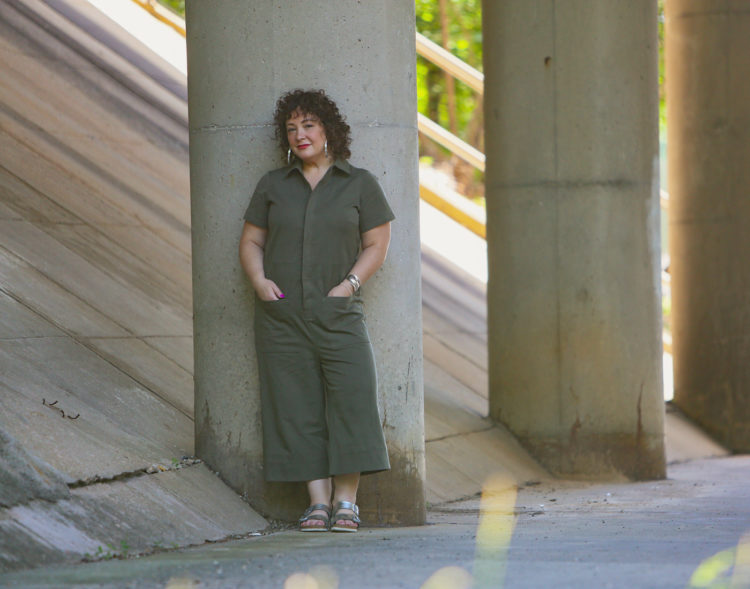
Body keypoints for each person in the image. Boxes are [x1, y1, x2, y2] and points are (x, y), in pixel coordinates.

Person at [239, 89, 394, 532]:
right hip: (282, 316)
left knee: (352, 399)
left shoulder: (359, 182)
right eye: (291, 128)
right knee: (294, 405)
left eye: (308, 125)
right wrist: (259, 281)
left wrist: (349, 286)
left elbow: (377, 244)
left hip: (339, 315)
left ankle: (348, 502)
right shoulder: (273, 184)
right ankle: (318, 502)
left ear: (329, 130)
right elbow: (251, 241)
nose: (299, 134)